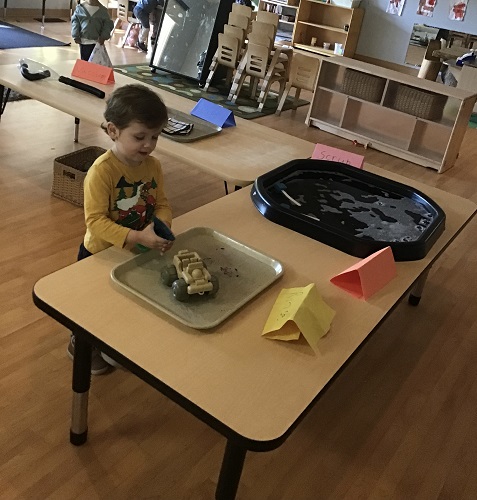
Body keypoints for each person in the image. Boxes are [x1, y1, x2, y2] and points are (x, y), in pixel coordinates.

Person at [68, 84, 174, 374]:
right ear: (113, 131)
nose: (149, 145)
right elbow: (95, 222)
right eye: (139, 137)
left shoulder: (153, 166)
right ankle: (81, 345)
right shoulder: (102, 172)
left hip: (136, 251)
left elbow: (162, 203)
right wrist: (136, 236)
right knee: (92, 309)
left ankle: (111, 340)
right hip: (99, 253)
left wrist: (160, 226)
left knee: (120, 305)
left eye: (155, 136)